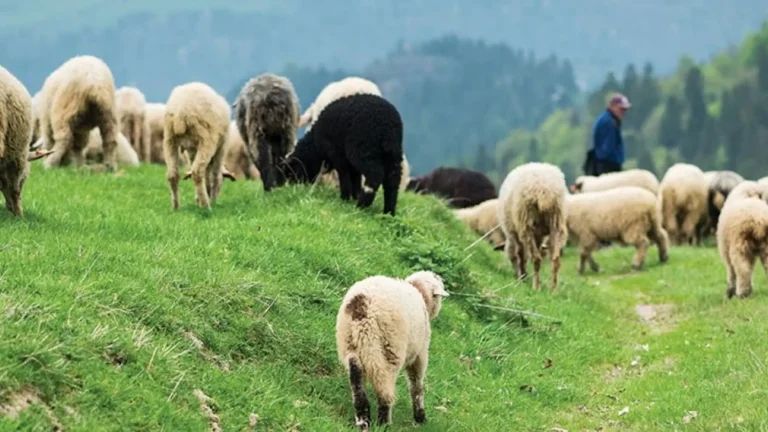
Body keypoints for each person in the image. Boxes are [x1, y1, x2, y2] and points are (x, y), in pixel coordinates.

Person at [584, 93, 631, 176]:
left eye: (625, 110)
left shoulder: (607, 119)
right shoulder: (609, 122)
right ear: (612, 106)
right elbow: (607, 148)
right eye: (621, 109)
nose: (624, 112)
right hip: (608, 166)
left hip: (604, 164)